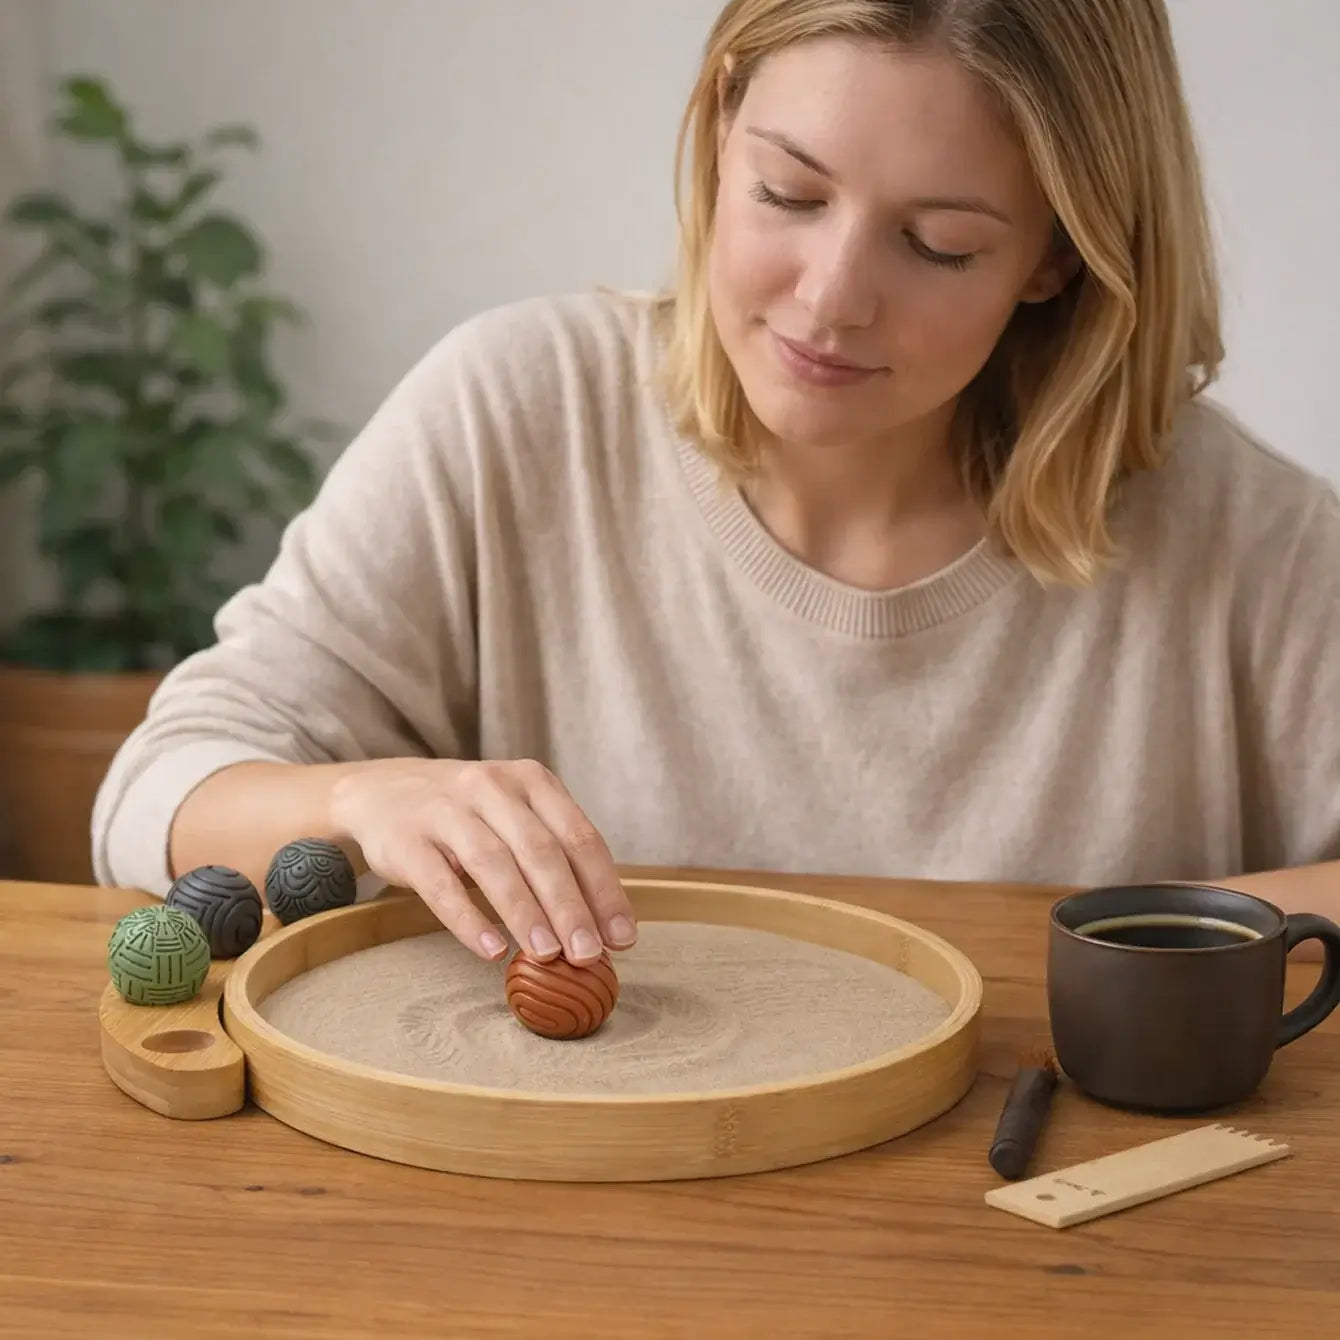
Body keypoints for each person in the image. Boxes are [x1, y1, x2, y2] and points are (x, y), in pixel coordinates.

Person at [92, 0, 1340, 973]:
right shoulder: (520, 410)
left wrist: (1119, 936)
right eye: (785, 192)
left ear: (1057, 258)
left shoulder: (1241, 537)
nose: (827, 297)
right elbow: (154, 794)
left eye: (937, 243)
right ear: (718, 121)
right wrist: (370, 800)